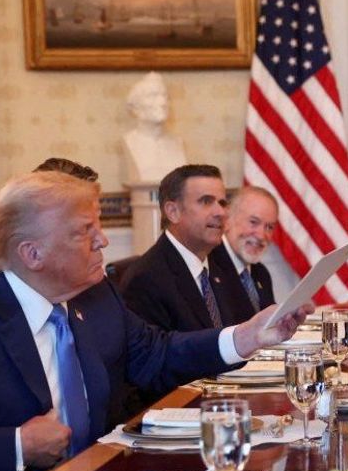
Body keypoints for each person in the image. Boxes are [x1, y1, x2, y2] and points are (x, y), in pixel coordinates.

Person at [0, 171, 307, 471]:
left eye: (98, 227)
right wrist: (15, 445)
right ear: (32, 253)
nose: (103, 241)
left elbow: (157, 354)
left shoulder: (96, 296)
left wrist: (248, 336)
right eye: (84, 232)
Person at [120, 165, 255, 330]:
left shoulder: (221, 264)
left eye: (222, 202)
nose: (221, 212)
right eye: (206, 201)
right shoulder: (146, 279)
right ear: (173, 211)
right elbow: (159, 353)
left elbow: (243, 329)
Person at [216, 185, 279, 316]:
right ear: (227, 220)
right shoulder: (209, 268)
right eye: (253, 222)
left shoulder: (261, 273)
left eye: (269, 227)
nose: (261, 235)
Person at [121, 72, 186, 184]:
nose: (162, 102)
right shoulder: (129, 141)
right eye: (153, 96)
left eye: (165, 96)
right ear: (135, 107)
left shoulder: (177, 142)